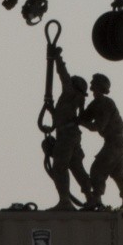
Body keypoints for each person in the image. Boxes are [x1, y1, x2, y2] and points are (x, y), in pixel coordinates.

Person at [43, 44, 93, 211]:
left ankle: (65, 201)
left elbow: (62, 74)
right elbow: (63, 116)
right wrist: (52, 110)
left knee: (60, 166)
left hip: (66, 135)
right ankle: (92, 198)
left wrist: (57, 57)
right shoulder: (74, 99)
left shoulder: (70, 93)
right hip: (71, 134)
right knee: (76, 166)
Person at [79, 72, 123, 210]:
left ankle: (96, 199)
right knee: (118, 172)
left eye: (93, 84)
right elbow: (84, 117)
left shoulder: (105, 103)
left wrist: (81, 122)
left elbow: (98, 126)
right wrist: (80, 106)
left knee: (97, 169)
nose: (91, 87)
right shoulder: (96, 103)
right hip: (115, 142)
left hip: (115, 141)